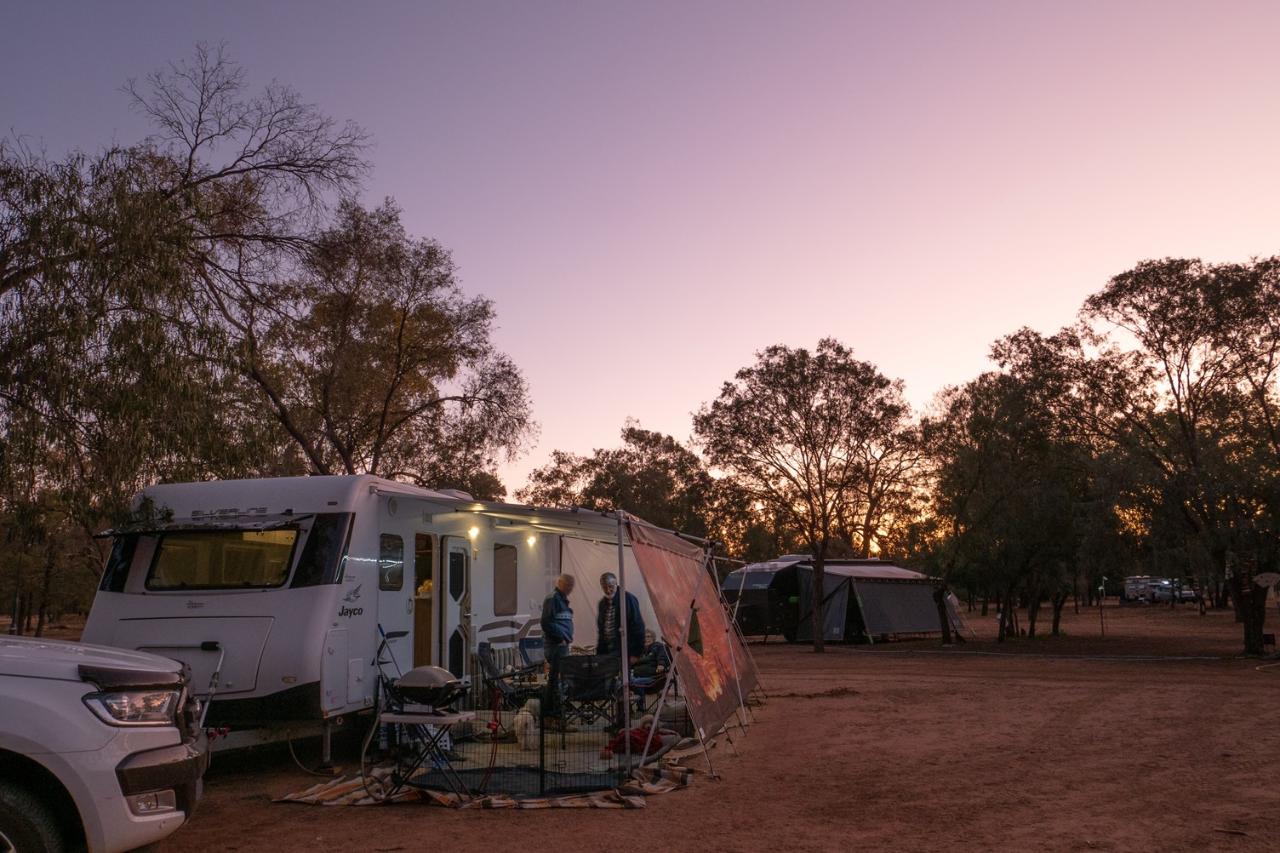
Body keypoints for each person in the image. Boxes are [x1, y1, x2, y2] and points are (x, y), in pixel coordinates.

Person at [539, 573, 575, 723]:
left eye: (571, 586)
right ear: (559, 583)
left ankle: (552, 715)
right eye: (567, 585)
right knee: (556, 681)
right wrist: (560, 637)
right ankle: (552, 716)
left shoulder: (562, 600)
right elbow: (545, 622)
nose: (570, 589)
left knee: (557, 681)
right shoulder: (553, 598)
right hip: (556, 646)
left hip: (562, 645)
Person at [596, 572, 645, 664]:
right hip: (606, 649)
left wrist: (636, 653)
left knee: (623, 677)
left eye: (611, 586)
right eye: (604, 587)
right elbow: (601, 630)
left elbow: (638, 626)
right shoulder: (602, 604)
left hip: (623, 648)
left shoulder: (628, 599)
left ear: (616, 584)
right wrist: (599, 652)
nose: (608, 590)